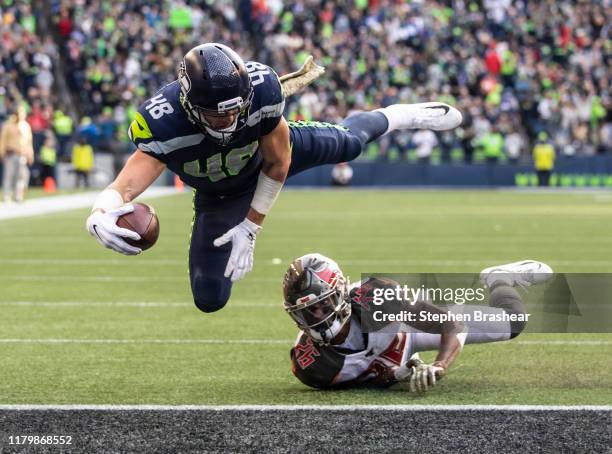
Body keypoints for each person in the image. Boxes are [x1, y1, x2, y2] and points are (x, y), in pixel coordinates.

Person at [86, 42, 462, 314]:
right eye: (217, 115)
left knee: (349, 143)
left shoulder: (261, 92)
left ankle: (401, 114)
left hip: (269, 156)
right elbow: (126, 184)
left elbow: (278, 164)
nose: (229, 120)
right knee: (209, 298)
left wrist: (251, 227)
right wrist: (101, 211)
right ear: (188, 103)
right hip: (220, 195)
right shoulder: (163, 124)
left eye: (235, 110)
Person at [283, 254, 552, 390]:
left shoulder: (377, 297)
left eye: (321, 305)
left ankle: (498, 278)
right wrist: (396, 374)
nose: (316, 317)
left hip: (408, 328)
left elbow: (451, 325)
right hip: (391, 353)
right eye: (305, 312)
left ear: (340, 293)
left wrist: (440, 364)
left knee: (513, 322)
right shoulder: (312, 367)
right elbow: (359, 379)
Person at [0, 106, 34, 203]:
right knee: (9, 175)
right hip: (10, 153)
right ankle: (7, 196)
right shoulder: (8, 125)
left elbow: (29, 142)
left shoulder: (25, 126)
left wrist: (30, 154)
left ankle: (19, 196)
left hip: (22, 154)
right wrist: (1, 153)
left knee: (21, 176)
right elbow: (3, 140)